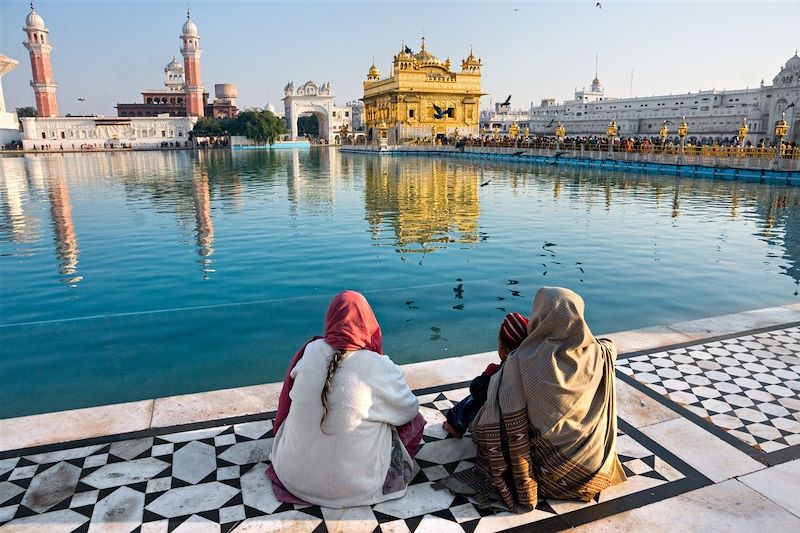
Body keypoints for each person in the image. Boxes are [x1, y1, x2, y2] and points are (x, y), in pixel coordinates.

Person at [436, 287, 627, 512]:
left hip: (548, 477)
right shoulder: (603, 354)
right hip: (594, 470)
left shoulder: (522, 361)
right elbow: (606, 344)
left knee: (498, 407)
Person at [269, 290, 425, 508]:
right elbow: (409, 411)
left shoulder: (311, 351)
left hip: (291, 475)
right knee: (411, 419)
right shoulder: (379, 366)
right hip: (359, 488)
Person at [443, 312, 529, 438]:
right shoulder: (532, 370)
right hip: (524, 429)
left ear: (505, 352)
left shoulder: (495, 373)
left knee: (474, 399)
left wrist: (485, 376)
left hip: (496, 431)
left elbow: (475, 389)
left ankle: (456, 425)